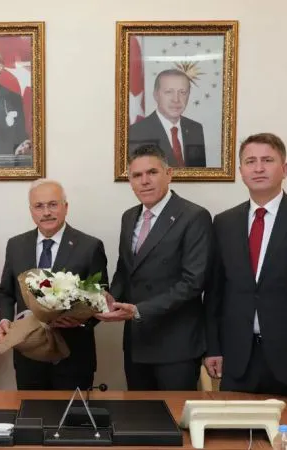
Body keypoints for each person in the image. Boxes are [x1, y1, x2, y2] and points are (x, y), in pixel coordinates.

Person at [204, 132, 287, 401]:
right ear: (241, 171)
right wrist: (213, 348)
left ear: (284, 169)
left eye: (267, 160)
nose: (258, 168)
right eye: (250, 161)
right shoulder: (224, 223)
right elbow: (215, 294)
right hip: (239, 359)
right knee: (239, 428)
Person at [97, 145, 212, 391]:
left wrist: (140, 310)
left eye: (152, 172)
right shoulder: (129, 217)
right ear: (130, 182)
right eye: (137, 175)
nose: (145, 181)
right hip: (137, 342)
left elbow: (193, 282)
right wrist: (110, 299)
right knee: (140, 413)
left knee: (174, 413)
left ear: (169, 174)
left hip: (176, 344)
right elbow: (125, 270)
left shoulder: (194, 216)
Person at [0, 179, 108, 390]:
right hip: (28, 355)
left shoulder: (90, 246)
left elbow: (101, 296)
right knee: (32, 411)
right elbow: (5, 293)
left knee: (72, 412)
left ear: (66, 207)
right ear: (31, 210)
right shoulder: (16, 245)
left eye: (53, 204)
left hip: (74, 357)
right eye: (39, 206)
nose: (46, 212)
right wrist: (4, 320)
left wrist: (80, 322)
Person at [128, 69, 206, 167]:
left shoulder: (195, 129)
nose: (176, 99)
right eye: (169, 92)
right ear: (156, 95)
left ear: (188, 95)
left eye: (182, 92)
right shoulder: (136, 132)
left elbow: (199, 173)